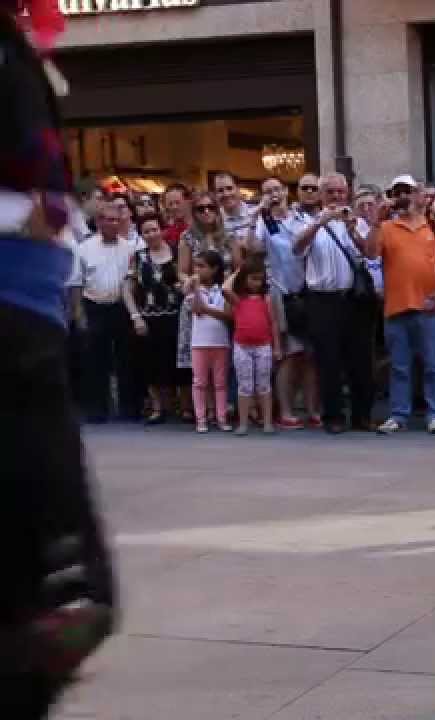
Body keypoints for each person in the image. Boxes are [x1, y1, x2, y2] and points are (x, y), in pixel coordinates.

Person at [1, 6, 118, 713]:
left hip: (25, 319)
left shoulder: (14, 51)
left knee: (65, 590)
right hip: (13, 323)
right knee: (60, 592)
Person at [292, 172, 376, 434]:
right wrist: (320, 223)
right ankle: (334, 417)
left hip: (353, 299)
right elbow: (296, 248)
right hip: (322, 301)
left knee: (360, 359)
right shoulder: (306, 221)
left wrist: (354, 230)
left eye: (340, 192)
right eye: (331, 192)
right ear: (320, 195)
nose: (337, 197)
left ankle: (362, 416)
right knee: (328, 361)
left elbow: (370, 252)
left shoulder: (355, 220)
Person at [369, 175, 435, 435]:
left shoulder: (434, 226)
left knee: (433, 364)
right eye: (398, 192)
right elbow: (371, 253)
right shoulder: (386, 228)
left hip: (429, 305)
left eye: (407, 191)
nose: (403, 196)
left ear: (418, 194)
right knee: (399, 365)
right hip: (396, 305)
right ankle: (399, 414)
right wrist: (376, 221)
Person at [252, 174, 321, 430]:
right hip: (281, 293)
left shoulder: (300, 217)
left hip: (308, 291)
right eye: (267, 191)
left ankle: (314, 409)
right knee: (289, 355)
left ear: (285, 191)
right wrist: (256, 215)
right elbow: (254, 249)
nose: (273, 195)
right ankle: (288, 411)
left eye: (277, 189)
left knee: (311, 355)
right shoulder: (262, 221)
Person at [71, 203, 144, 422]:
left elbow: (133, 280)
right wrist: (78, 313)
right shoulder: (84, 248)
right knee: (95, 360)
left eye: (116, 219)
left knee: (126, 358)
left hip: (121, 307)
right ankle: (96, 409)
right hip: (94, 306)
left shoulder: (130, 247)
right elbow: (76, 283)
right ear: (99, 222)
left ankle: (129, 408)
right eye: (108, 219)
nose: (113, 223)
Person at [122, 216, 182, 425]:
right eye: (146, 231)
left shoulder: (176, 252)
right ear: (141, 234)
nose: (151, 234)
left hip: (175, 316)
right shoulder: (137, 257)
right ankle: (157, 408)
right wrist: (135, 316)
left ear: (162, 230)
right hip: (148, 318)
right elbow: (127, 290)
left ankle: (179, 406)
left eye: (154, 229)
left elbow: (187, 278)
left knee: (174, 362)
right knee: (149, 363)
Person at [225, 260, 280, 435]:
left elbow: (273, 323)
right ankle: (243, 423)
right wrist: (239, 270)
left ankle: (267, 422)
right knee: (244, 385)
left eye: (260, 279)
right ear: (244, 279)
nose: (257, 283)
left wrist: (276, 347)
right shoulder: (238, 299)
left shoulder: (267, 299)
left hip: (263, 346)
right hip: (242, 346)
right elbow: (225, 289)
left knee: (264, 385)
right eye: (253, 278)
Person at [186, 251, 233, 433]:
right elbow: (197, 309)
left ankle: (221, 418)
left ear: (214, 269)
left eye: (202, 266)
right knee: (199, 382)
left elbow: (229, 315)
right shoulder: (193, 289)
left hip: (220, 342)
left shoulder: (223, 290)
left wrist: (208, 309)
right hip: (199, 343)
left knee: (220, 383)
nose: (197, 270)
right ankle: (201, 419)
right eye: (195, 266)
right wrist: (196, 289)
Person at [213, 172, 257, 248]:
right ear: (216, 194)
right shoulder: (214, 220)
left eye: (229, 188)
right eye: (220, 190)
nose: (226, 194)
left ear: (238, 189)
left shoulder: (256, 212)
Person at [161, 183, 190, 251]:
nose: (174, 207)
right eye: (170, 204)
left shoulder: (201, 227)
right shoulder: (165, 234)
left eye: (177, 202)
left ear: (188, 202)